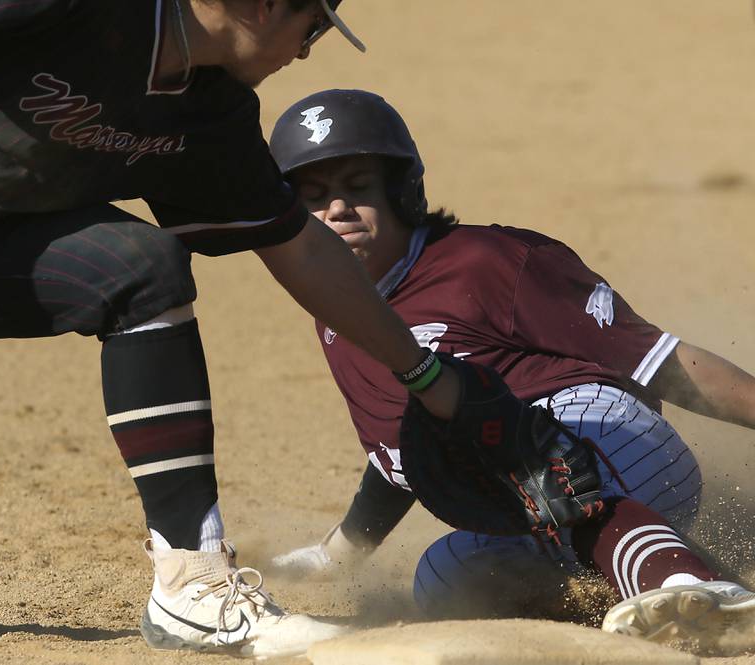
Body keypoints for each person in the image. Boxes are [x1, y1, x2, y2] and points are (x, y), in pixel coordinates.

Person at [0, 4, 476, 658]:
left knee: (142, 268)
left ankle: (191, 584)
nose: (309, 51)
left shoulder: (207, 115)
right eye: (312, 25)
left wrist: (427, 375)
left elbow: (303, 251)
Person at [267, 88, 755, 653]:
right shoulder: (336, 311)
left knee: (534, 461)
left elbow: (662, 362)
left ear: (402, 192)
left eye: (358, 189)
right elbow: (411, 452)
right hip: (526, 491)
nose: (337, 211)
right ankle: (637, 582)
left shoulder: (486, 262)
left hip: (611, 438)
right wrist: (336, 554)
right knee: (443, 581)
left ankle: (694, 588)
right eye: (315, 198)